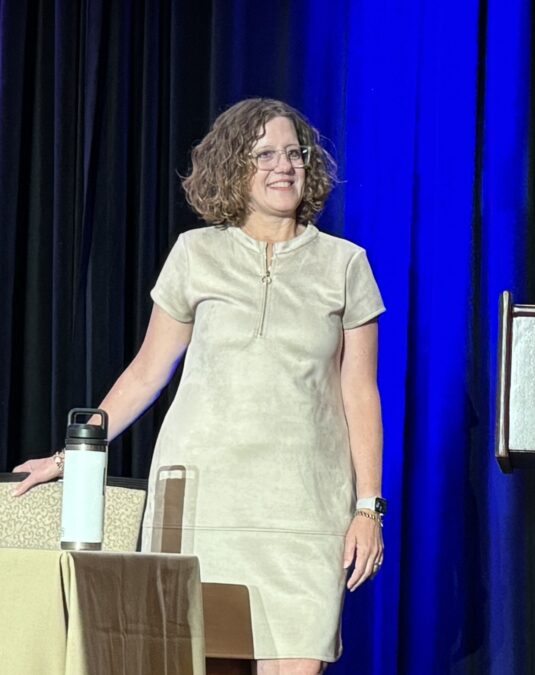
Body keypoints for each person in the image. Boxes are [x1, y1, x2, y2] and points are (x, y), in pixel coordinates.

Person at [12, 98, 385, 675]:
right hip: (202, 505)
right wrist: (74, 454)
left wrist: (368, 509)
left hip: (305, 512)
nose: (283, 166)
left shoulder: (345, 264)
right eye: (264, 154)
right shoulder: (195, 254)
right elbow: (147, 369)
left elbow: (360, 393)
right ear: (234, 168)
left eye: (294, 153)